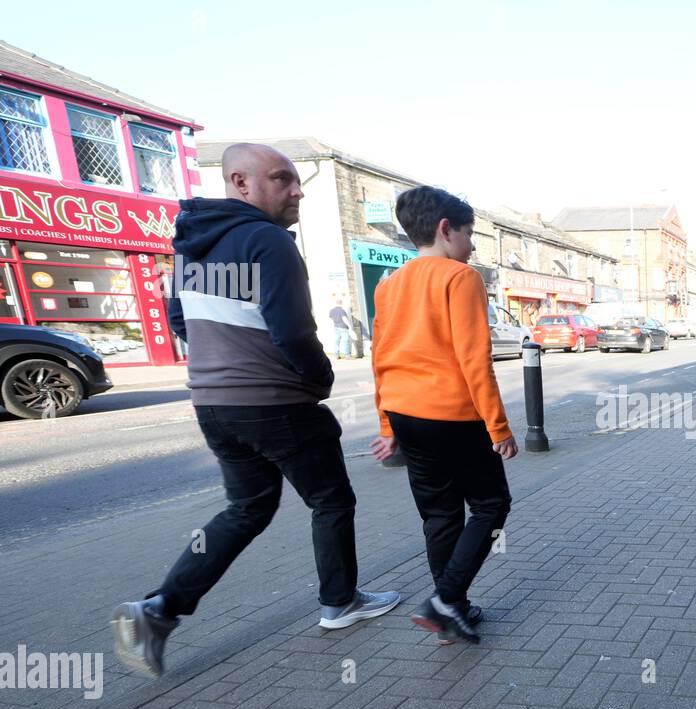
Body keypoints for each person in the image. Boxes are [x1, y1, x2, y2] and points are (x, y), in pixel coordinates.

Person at [111, 143, 400, 679]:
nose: (297, 190)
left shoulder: (191, 245)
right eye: (282, 179)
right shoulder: (268, 241)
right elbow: (292, 329)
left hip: (215, 405)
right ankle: (340, 603)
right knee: (331, 500)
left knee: (247, 509)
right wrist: (318, 378)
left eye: (296, 180)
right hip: (276, 401)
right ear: (240, 183)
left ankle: (158, 610)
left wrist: (222, 359)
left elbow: (179, 320)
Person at [369, 186, 517, 645]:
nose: (471, 246)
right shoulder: (460, 277)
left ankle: (451, 610)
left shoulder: (389, 284)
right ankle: (446, 600)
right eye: (469, 234)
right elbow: (475, 360)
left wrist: (387, 426)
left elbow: (381, 357)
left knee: (440, 515)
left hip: (406, 413)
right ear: (444, 229)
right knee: (492, 505)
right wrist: (499, 427)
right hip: (453, 414)